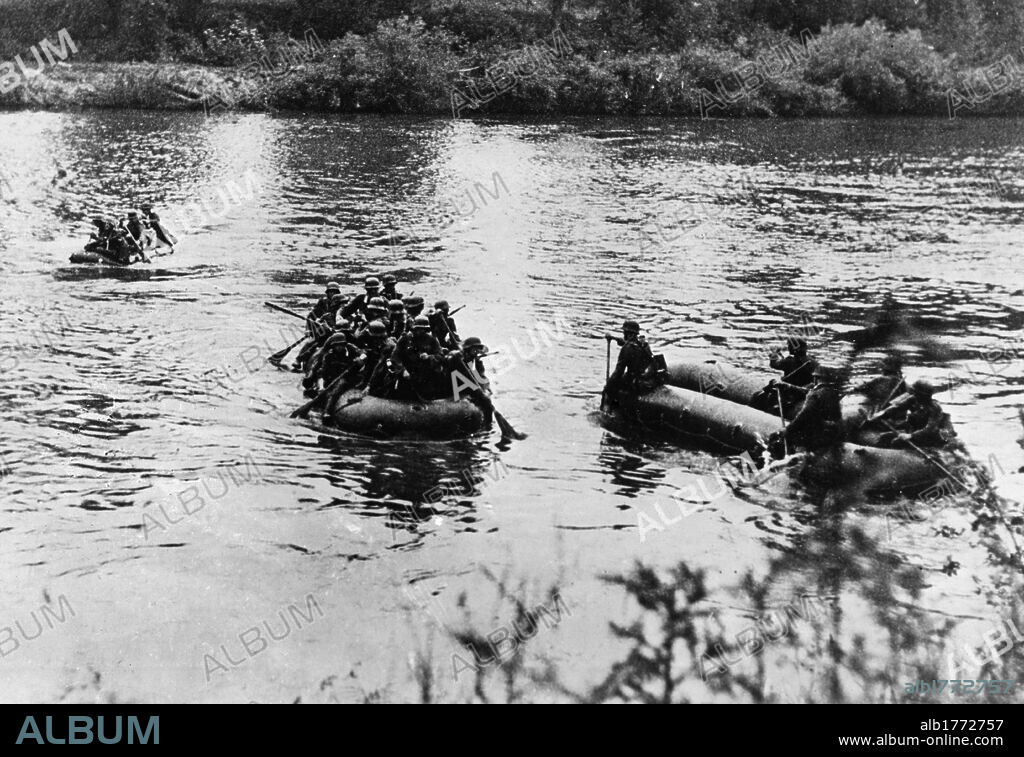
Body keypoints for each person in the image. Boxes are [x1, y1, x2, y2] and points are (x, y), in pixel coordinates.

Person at [771, 365, 844, 454]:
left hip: (817, 434)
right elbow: (806, 391)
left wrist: (788, 429)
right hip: (832, 432)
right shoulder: (833, 392)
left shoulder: (815, 394)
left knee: (778, 438)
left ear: (816, 378)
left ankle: (794, 457)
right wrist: (788, 386)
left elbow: (804, 415)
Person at [872, 380, 955, 448]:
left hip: (929, 437)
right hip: (914, 431)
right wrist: (882, 414)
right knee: (884, 437)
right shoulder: (913, 400)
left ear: (922, 395)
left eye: (916, 393)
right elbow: (897, 407)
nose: (914, 394)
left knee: (897, 442)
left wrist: (911, 436)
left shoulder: (934, 408)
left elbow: (930, 429)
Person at [603, 320, 664, 400]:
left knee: (612, 386)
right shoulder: (643, 345)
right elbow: (625, 342)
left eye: (624, 333)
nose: (623, 334)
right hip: (648, 380)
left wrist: (608, 386)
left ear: (628, 334)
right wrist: (613, 338)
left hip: (637, 384)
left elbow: (619, 372)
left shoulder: (627, 348)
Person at [392, 315, 446, 398]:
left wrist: (429, 357)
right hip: (408, 376)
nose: (420, 331)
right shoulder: (405, 339)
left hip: (425, 377)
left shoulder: (432, 339)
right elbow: (395, 356)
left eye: (423, 329)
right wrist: (402, 370)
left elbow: (440, 356)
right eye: (418, 329)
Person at [302, 330, 361, 398]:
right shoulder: (328, 355)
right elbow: (322, 372)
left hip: (346, 376)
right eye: (337, 345)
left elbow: (362, 352)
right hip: (331, 377)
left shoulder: (350, 349)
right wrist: (321, 386)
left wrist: (360, 359)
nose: (339, 347)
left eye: (341, 345)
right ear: (333, 346)